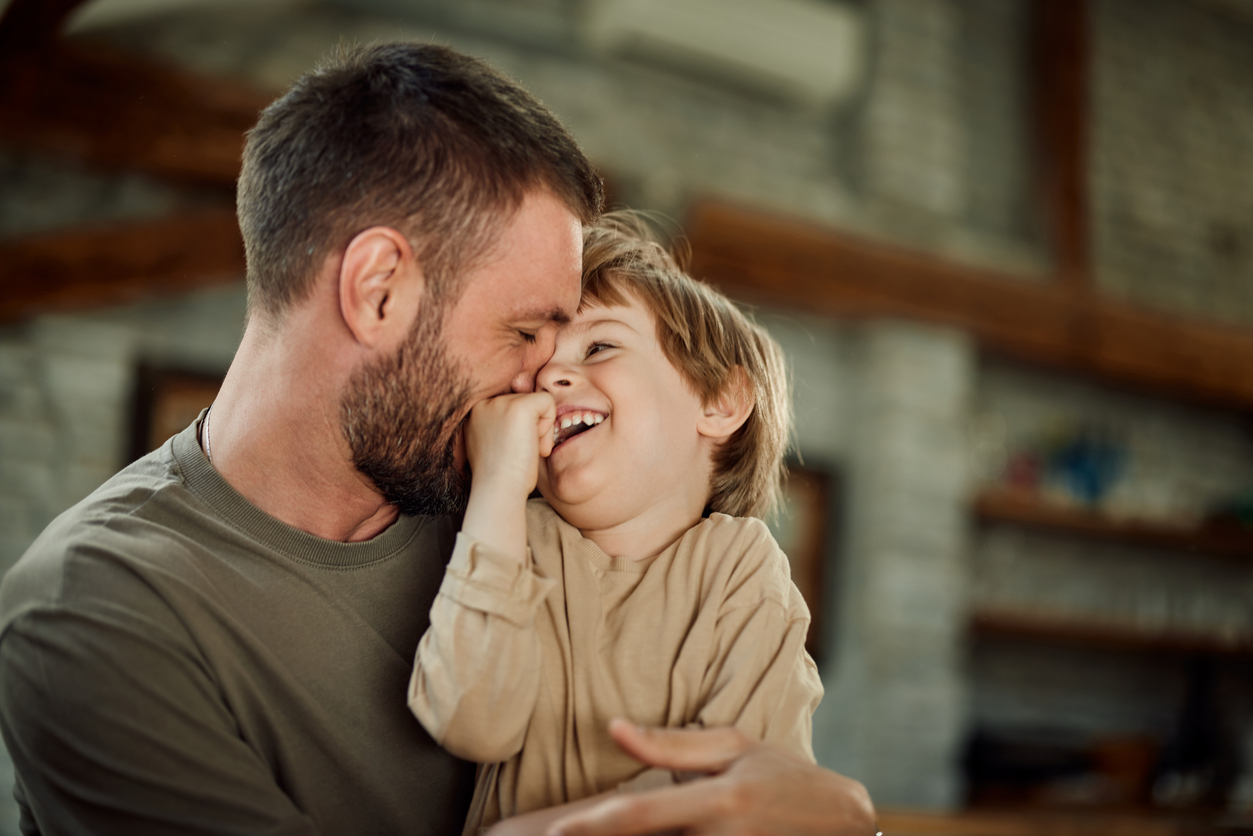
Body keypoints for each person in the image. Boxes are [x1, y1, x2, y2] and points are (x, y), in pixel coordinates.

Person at [0, 42, 876, 836]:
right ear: (379, 291)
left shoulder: (521, 506)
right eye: (526, 331)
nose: (542, 379)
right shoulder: (95, 606)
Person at [409, 212, 823, 836]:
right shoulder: (512, 539)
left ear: (719, 402)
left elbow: (740, 794)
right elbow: (470, 718)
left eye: (599, 346)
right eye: (539, 366)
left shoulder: (742, 567)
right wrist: (496, 484)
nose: (549, 377)